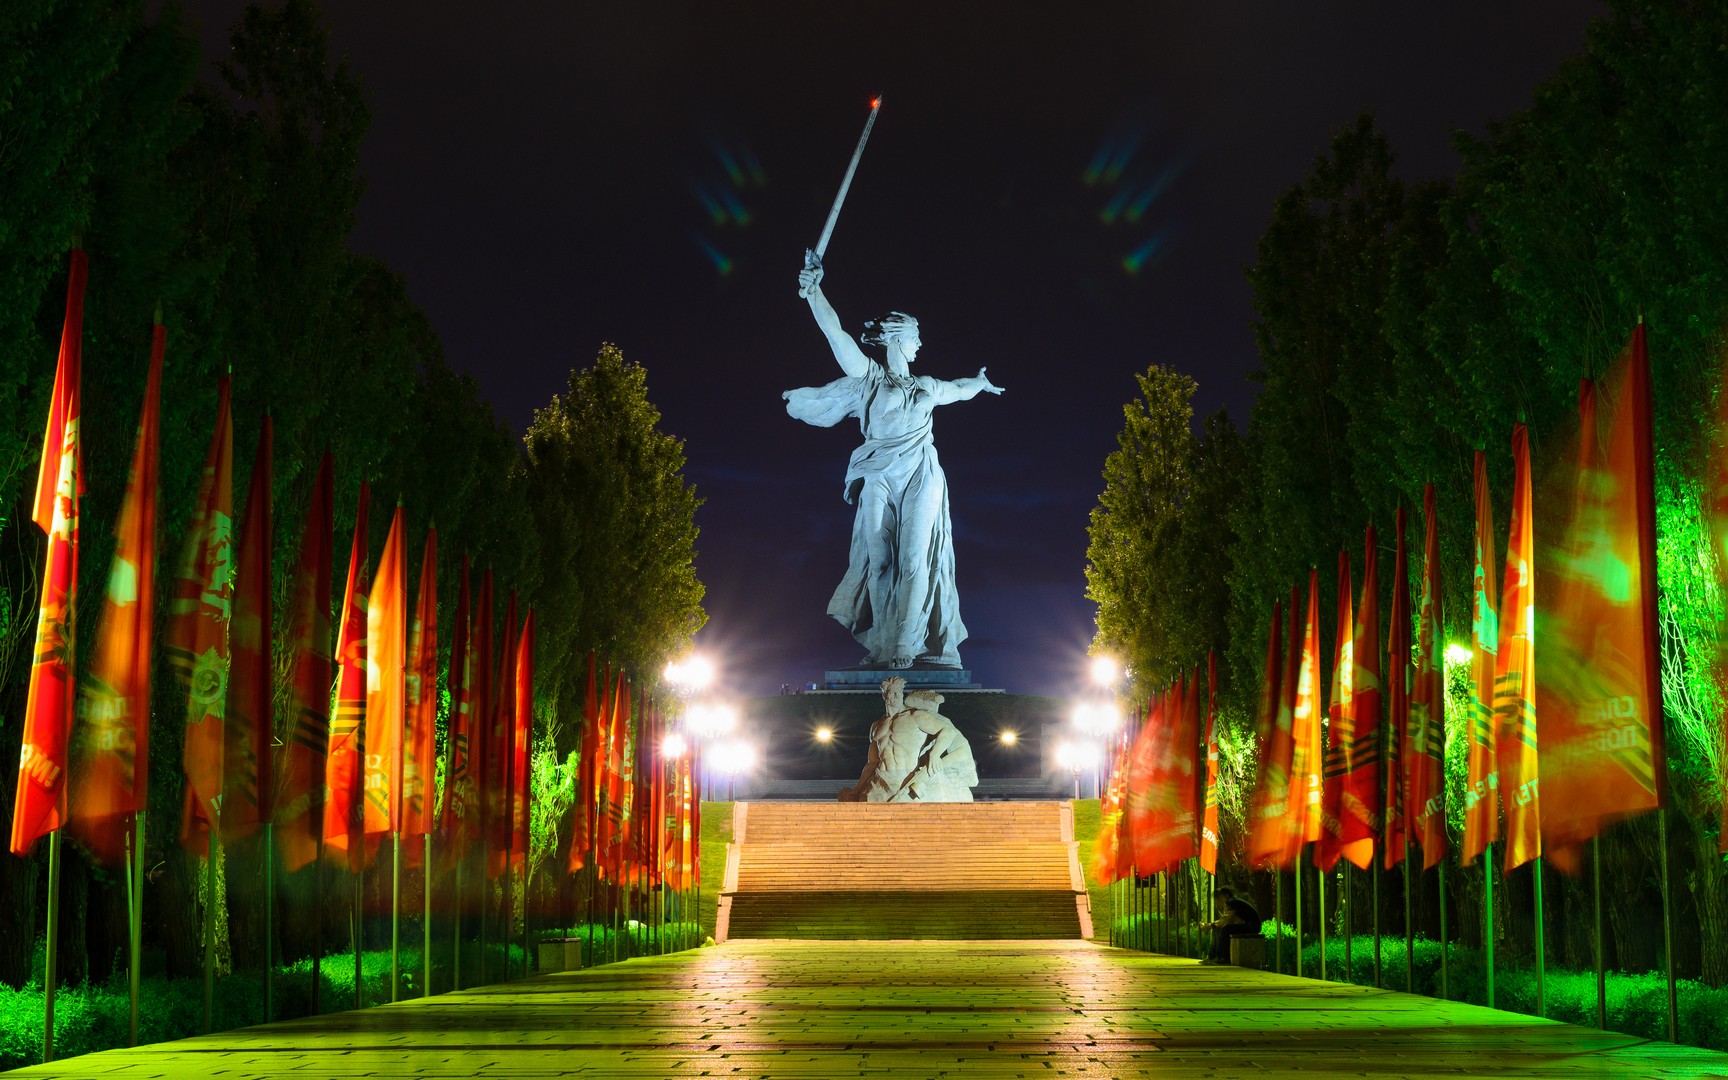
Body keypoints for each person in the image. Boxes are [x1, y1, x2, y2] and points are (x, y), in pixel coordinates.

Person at [784, 257, 1003, 670]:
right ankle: (883, 641)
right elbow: (836, 333)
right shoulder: (869, 378)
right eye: (916, 339)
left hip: (921, 471)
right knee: (879, 558)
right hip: (877, 472)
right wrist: (815, 292)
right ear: (898, 340)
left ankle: (905, 642)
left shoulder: (927, 386)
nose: (920, 347)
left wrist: (980, 382)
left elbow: (960, 388)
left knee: (914, 559)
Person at [1199, 886, 1262, 965]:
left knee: (1226, 929)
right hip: (1249, 925)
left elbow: (1228, 920)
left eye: (1221, 896)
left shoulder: (1233, 902)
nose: (1220, 899)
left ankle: (1224, 957)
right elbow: (1225, 919)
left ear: (1227, 895)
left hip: (1252, 926)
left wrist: (1210, 926)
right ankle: (1212, 956)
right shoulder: (1232, 902)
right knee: (1217, 928)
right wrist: (1211, 925)